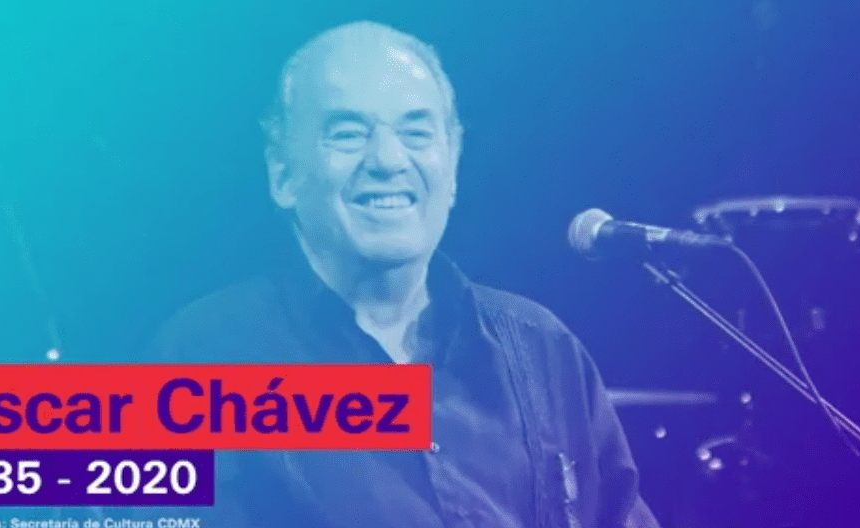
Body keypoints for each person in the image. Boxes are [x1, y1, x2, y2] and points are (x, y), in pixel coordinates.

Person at [149, 20, 660, 528]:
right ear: (282, 173)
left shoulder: (542, 349)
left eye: (416, 132)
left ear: (452, 165)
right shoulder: (200, 357)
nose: (389, 160)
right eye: (348, 134)